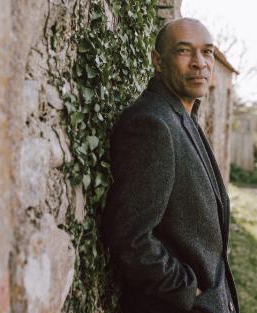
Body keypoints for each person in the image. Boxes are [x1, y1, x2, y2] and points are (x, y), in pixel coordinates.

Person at [102, 17, 239, 313]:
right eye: (183, 50)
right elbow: (130, 237)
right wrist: (187, 291)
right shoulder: (151, 124)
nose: (199, 63)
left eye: (207, 52)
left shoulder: (182, 115)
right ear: (158, 61)